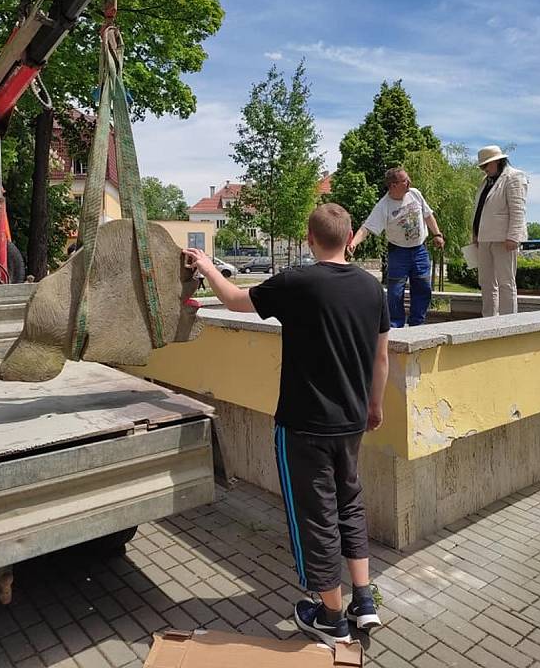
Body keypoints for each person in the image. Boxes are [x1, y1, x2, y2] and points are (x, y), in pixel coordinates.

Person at [184, 202, 389, 647]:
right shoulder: (373, 289)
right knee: (349, 504)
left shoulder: (298, 282)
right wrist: (374, 407)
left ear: (311, 238)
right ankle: (363, 600)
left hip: (304, 425)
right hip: (352, 422)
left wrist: (204, 265)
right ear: (350, 234)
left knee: (315, 517)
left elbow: (237, 300)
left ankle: (331, 617)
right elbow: (382, 356)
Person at [348, 167, 444, 328]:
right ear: (393, 185)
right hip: (398, 252)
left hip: (420, 249)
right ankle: (395, 326)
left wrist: (437, 234)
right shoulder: (383, 206)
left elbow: (428, 215)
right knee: (395, 292)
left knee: (423, 287)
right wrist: (353, 243)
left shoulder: (415, 194)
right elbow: (367, 227)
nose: (409, 182)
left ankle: (417, 325)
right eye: (405, 180)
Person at [473, 145, 528, 316]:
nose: (484, 169)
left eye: (486, 165)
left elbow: (518, 209)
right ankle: (488, 320)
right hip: (484, 238)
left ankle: (508, 322)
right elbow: (480, 209)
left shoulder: (514, 177)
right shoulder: (485, 182)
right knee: (486, 282)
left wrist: (514, 236)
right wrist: (475, 234)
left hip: (504, 239)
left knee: (506, 282)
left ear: (497, 161)